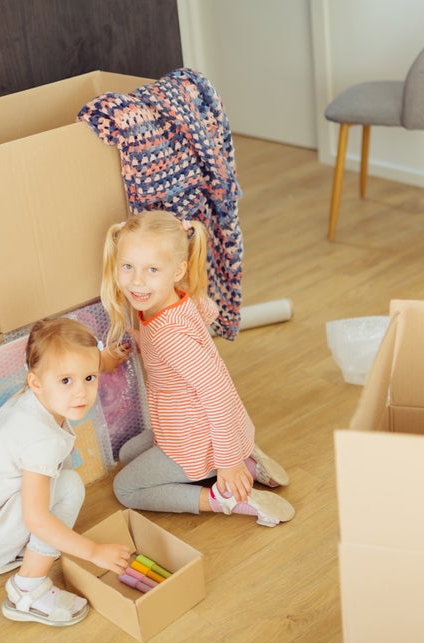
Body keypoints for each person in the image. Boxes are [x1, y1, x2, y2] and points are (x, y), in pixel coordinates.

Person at [100, 210, 295, 527]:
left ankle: (223, 495)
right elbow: (203, 318)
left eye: (152, 269)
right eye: (128, 267)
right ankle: (244, 457)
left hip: (196, 436)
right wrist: (135, 341)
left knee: (126, 487)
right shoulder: (177, 299)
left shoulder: (170, 336)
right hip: (194, 424)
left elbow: (215, 394)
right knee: (128, 453)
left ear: (177, 271)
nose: (137, 281)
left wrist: (229, 462)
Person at [0, 318, 133, 627]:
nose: (81, 393)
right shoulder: (41, 439)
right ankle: (26, 589)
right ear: (36, 382)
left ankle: (16, 552)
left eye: (89, 378)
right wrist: (93, 552)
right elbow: (36, 519)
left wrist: (102, 361)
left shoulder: (35, 401)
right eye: (66, 381)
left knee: (56, 477)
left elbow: (81, 366)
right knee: (69, 487)